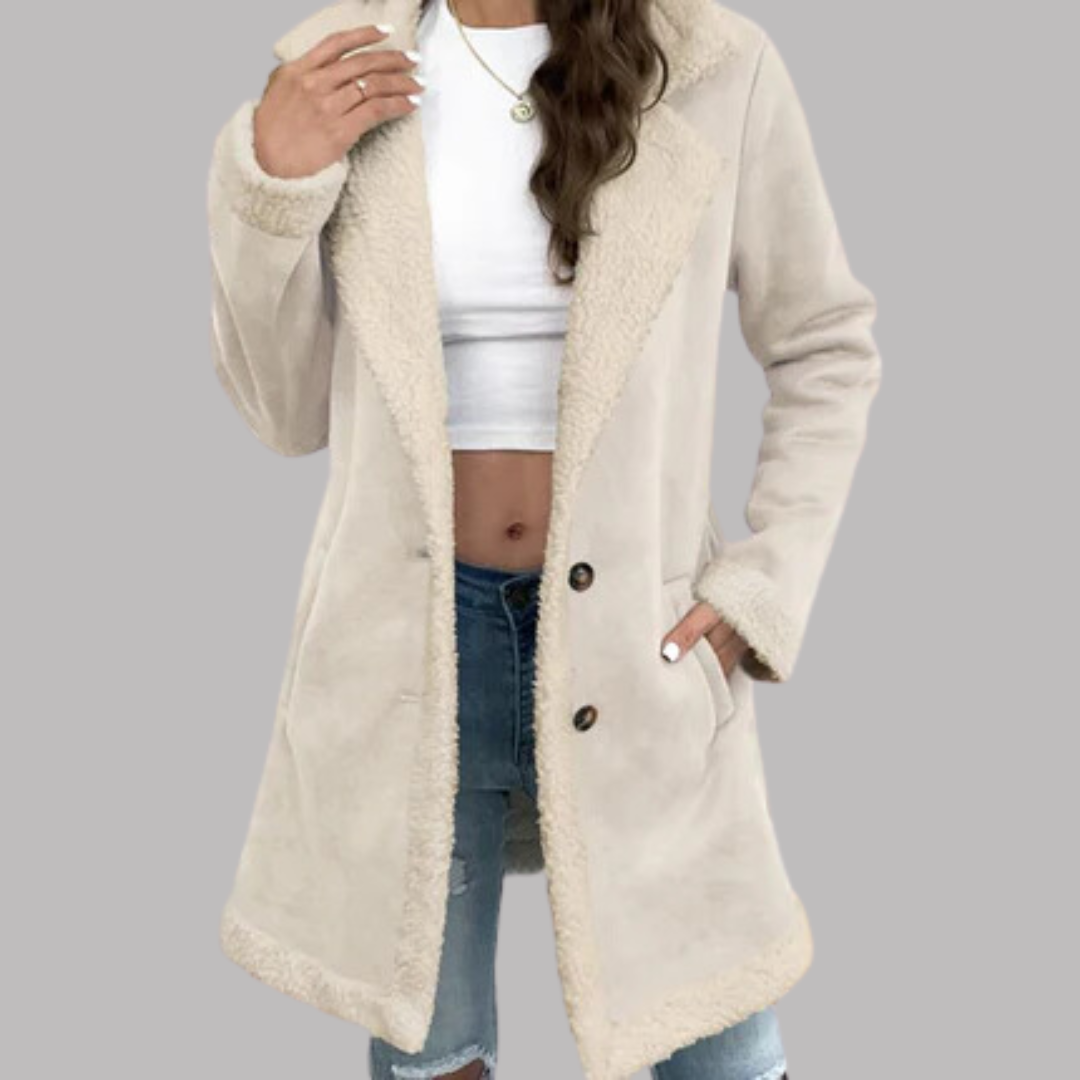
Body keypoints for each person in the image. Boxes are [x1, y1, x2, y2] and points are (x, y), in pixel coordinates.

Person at [205, 1, 882, 1078]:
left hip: (643, 643)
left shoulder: (713, 65)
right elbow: (287, 414)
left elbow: (825, 344)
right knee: (435, 1053)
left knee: (720, 1045)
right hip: (411, 648)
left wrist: (764, 584)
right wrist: (274, 186)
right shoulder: (340, 74)